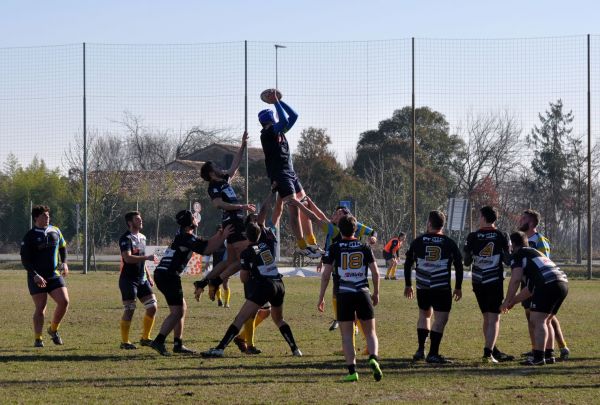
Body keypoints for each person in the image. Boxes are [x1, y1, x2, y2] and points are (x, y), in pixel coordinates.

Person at [201, 221, 302, 358]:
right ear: (259, 235)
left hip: (266, 285)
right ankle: (295, 349)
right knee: (279, 320)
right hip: (279, 284)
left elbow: (243, 278)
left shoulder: (247, 252)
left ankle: (219, 349)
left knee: (240, 318)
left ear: (245, 236)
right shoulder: (265, 246)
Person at [149, 211, 232, 356]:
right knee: (177, 312)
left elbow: (205, 243)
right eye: (194, 218)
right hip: (168, 276)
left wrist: (219, 235)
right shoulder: (186, 237)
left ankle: (178, 344)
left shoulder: (184, 235)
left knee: (182, 308)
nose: (196, 219)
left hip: (164, 274)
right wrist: (223, 236)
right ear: (189, 223)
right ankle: (159, 341)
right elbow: (207, 250)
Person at [318, 215, 382, 382]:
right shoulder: (364, 246)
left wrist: (321, 297)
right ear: (356, 229)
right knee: (370, 333)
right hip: (362, 292)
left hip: (343, 294)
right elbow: (376, 273)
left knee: (346, 335)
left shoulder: (335, 247)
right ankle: (373, 358)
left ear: (340, 229)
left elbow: (326, 275)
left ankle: (352, 371)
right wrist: (376, 293)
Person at [258, 91, 322, 258]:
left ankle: (312, 243)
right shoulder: (268, 133)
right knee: (294, 210)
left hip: (290, 173)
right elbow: (285, 120)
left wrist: (279, 101)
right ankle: (302, 246)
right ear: (270, 120)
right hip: (280, 175)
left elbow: (294, 115)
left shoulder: (279, 132)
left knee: (305, 205)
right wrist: (275, 103)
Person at [200, 131, 255, 310]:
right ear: (211, 172)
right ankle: (215, 281)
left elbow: (235, 165)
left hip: (235, 221)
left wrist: (242, 145)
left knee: (230, 262)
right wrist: (242, 207)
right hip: (234, 222)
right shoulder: (213, 187)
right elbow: (218, 204)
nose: (218, 166)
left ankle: (203, 283)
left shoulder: (224, 179)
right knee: (245, 257)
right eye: (215, 165)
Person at [404, 210, 463, 364]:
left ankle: (420, 349)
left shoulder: (418, 241)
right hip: (441, 286)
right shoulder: (449, 242)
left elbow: (408, 263)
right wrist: (458, 286)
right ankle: (433, 353)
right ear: (442, 225)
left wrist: (408, 284)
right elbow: (458, 265)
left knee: (424, 315)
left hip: (423, 286)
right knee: (440, 319)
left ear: (429, 223)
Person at [501, 231, 569, 366]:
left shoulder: (519, 255)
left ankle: (538, 357)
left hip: (548, 284)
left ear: (513, 244)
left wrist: (506, 300)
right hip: (562, 283)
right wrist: (513, 301)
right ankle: (548, 354)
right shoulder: (534, 253)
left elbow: (515, 280)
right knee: (546, 320)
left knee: (537, 320)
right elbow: (530, 289)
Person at [463, 206, 514, 363]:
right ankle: (488, 353)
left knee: (486, 317)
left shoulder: (473, 236)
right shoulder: (501, 235)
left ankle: (492, 349)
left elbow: (466, 261)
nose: (478, 219)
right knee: (494, 318)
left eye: (479, 216)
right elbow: (507, 260)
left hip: (478, 281)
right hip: (494, 280)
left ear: (484, 218)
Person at [518, 209, 570, 360]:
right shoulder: (524, 239)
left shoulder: (539, 240)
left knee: (546, 316)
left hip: (540, 284)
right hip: (527, 282)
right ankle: (536, 348)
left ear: (532, 222)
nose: (520, 220)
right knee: (530, 315)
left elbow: (545, 262)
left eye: (523, 218)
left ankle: (562, 347)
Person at [20, 205, 70, 347]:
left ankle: (53, 330)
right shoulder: (30, 236)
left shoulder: (55, 230)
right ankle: (38, 338)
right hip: (36, 277)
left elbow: (62, 247)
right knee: (41, 307)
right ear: (36, 218)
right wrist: (34, 275)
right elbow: (25, 260)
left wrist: (64, 263)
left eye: (48, 215)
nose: (47, 217)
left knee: (64, 302)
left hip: (54, 275)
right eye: (44, 215)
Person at [118, 211, 157, 350]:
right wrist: (147, 258)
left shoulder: (142, 237)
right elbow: (127, 258)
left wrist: (148, 275)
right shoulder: (126, 238)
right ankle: (125, 342)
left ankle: (145, 338)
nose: (140, 220)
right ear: (130, 222)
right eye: (137, 219)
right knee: (130, 309)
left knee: (152, 307)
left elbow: (141, 257)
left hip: (142, 279)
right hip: (128, 280)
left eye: (140, 218)